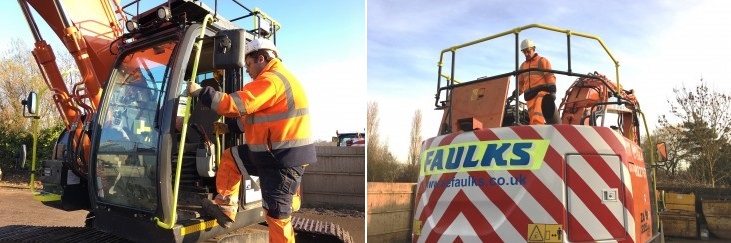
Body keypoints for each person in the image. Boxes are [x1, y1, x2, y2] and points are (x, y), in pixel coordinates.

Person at [188, 38, 316, 243]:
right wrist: (228, 127)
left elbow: (234, 104)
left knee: (277, 217)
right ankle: (226, 208)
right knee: (231, 158)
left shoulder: (271, 80)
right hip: (271, 154)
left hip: (281, 162)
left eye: (248, 64)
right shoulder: (276, 80)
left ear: (261, 58)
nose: (246, 70)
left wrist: (200, 92)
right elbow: (255, 118)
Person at [515, 39, 560, 125]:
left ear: (534, 49)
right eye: (524, 52)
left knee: (539, 108)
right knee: (533, 115)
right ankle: (534, 130)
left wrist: (552, 90)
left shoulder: (542, 61)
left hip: (542, 92)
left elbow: (549, 75)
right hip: (529, 96)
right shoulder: (522, 66)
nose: (526, 54)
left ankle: (538, 127)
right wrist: (517, 92)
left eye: (528, 51)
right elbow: (521, 82)